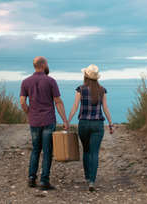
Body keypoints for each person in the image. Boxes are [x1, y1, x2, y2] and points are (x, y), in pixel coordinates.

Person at [20, 56, 69, 190]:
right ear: (44, 65)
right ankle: (44, 181)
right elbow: (58, 102)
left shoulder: (25, 82)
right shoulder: (51, 81)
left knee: (36, 149)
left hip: (34, 121)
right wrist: (65, 120)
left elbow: (22, 101)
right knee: (47, 151)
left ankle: (31, 178)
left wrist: (29, 112)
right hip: (48, 120)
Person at [68, 64, 114, 192]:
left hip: (83, 124)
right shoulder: (102, 90)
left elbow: (75, 106)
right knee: (94, 153)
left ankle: (87, 177)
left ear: (85, 76)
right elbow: (105, 108)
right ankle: (92, 181)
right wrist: (110, 124)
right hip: (97, 125)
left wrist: (68, 121)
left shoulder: (80, 89)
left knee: (86, 151)